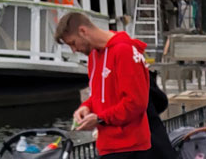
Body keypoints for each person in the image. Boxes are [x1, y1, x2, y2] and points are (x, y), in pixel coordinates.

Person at [55, 12, 152, 158]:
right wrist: (86, 107)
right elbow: (98, 95)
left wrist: (100, 119)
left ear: (83, 31)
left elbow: (136, 103)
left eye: (73, 43)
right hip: (107, 145)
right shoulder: (94, 55)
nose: (74, 50)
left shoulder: (124, 50)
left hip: (129, 148)